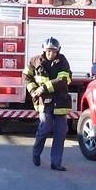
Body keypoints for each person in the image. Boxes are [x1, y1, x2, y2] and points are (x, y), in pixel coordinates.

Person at [23, 37, 72, 171]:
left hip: (60, 102)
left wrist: (43, 88)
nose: (51, 54)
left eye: (54, 51)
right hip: (44, 102)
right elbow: (26, 77)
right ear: (44, 51)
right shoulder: (35, 61)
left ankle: (56, 163)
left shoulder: (63, 62)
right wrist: (33, 90)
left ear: (58, 51)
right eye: (48, 51)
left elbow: (62, 80)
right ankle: (36, 153)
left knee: (60, 133)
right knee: (44, 129)